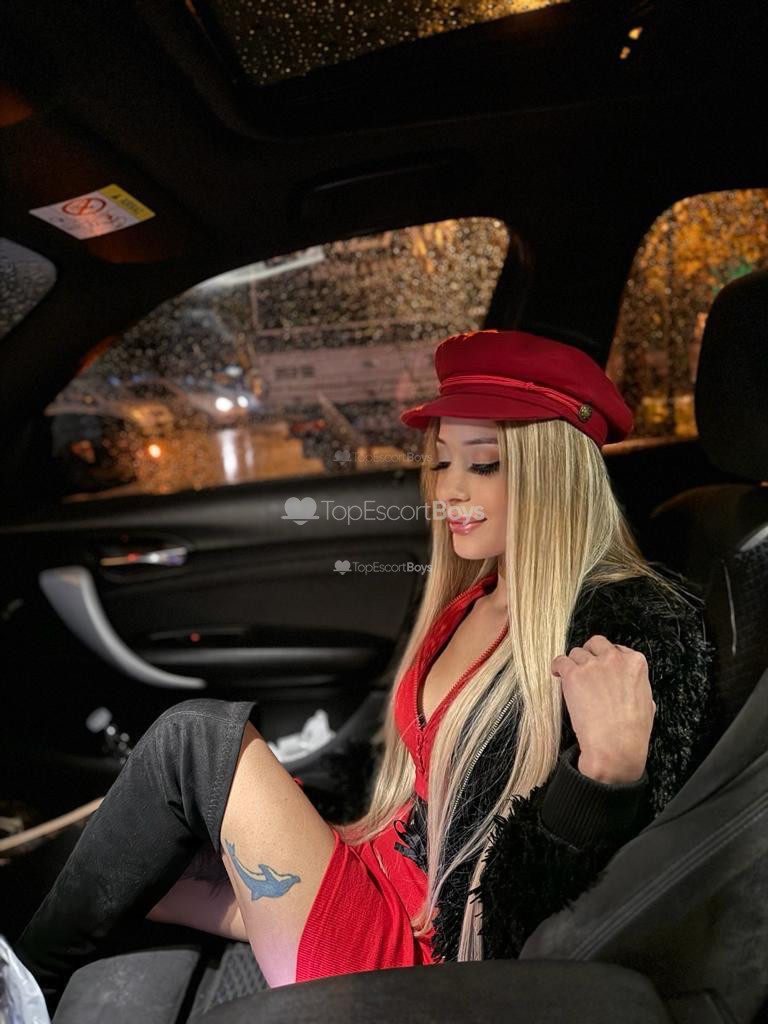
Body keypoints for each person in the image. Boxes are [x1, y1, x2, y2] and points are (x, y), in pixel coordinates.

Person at [15, 329, 716, 1009]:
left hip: (422, 961)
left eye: (483, 464)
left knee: (194, 739)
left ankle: (22, 993)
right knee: (115, 864)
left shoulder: (625, 632)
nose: (449, 490)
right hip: (374, 877)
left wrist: (605, 777)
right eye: (441, 462)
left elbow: (557, 911)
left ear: (552, 474)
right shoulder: (475, 598)